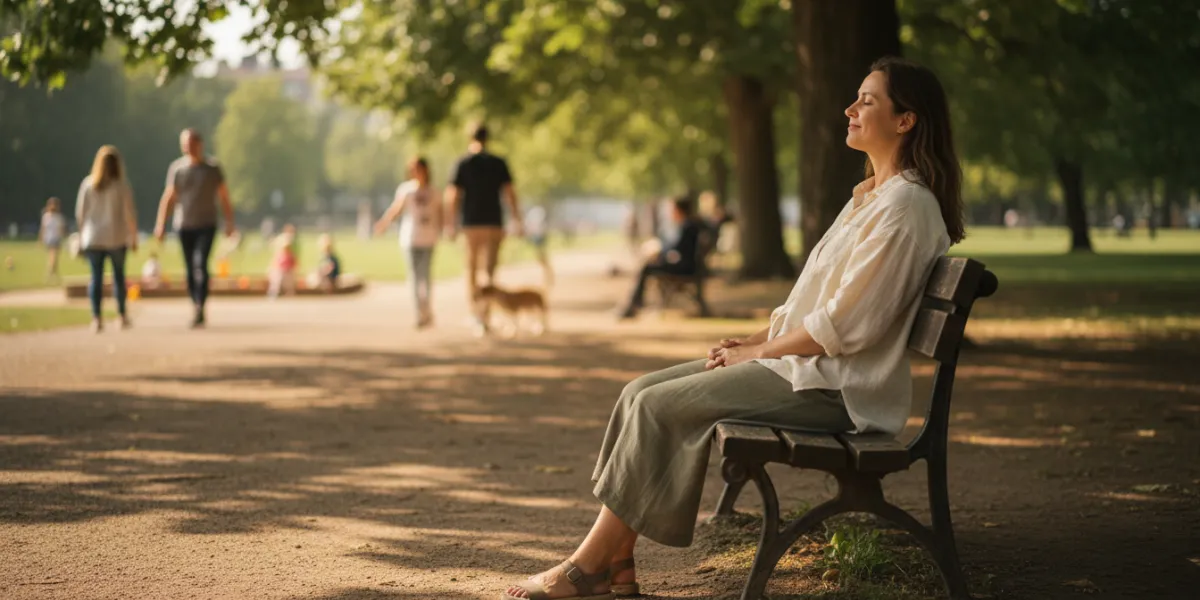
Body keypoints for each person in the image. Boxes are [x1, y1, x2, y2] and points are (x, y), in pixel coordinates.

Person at [499, 57, 965, 600]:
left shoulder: (905, 207)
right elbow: (819, 304)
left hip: (837, 391)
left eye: (867, 99)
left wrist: (761, 352)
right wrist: (755, 342)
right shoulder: (872, 198)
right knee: (638, 393)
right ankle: (615, 562)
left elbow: (846, 325)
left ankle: (587, 567)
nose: (849, 108)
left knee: (658, 407)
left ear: (906, 120)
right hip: (805, 369)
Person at [154, 128, 236, 329]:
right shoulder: (177, 169)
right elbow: (169, 197)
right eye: (184, 144)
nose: (187, 147)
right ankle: (195, 303)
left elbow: (224, 196)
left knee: (201, 263)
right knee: (190, 267)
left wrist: (229, 222)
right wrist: (161, 224)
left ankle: (201, 304)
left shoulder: (212, 168)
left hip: (207, 224)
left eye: (190, 143)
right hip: (184, 225)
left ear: (200, 144)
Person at [444, 125, 522, 335]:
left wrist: (450, 223)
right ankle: (485, 314)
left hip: (471, 225)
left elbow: (453, 195)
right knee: (488, 272)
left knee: (471, 271)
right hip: (493, 223)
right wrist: (516, 219)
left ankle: (476, 314)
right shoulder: (498, 163)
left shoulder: (463, 163)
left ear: (470, 137)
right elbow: (509, 193)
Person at [75, 146, 138, 333]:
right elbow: (129, 214)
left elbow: (81, 214)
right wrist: (133, 237)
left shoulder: (88, 184)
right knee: (118, 278)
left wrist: (81, 236)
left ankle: (97, 317)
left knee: (96, 278)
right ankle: (121, 315)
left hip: (93, 237)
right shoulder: (121, 185)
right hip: (116, 237)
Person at [377, 157, 441, 329]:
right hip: (410, 238)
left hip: (428, 238)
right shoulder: (406, 190)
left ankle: (426, 310)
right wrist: (384, 223)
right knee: (414, 278)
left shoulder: (434, 191)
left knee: (425, 278)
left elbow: (440, 214)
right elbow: (396, 209)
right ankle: (419, 314)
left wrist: (445, 230)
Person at [616, 196, 703, 320]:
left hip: (685, 268)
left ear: (679, 210)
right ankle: (635, 303)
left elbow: (678, 248)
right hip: (686, 265)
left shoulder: (688, 226)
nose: (671, 213)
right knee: (648, 266)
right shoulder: (689, 225)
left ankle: (635, 304)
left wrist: (660, 250)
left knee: (647, 267)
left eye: (673, 209)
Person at [524, 205, 554, 287]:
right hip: (538, 238)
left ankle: (547, 274)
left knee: (542, 257)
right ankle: (546, 273)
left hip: (539, 238)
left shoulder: (538, 218)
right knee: (541, 258)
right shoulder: (537, 217)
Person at [39, 197, 66, 282]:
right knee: (53, 256)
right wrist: (40, 238)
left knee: (54, 257)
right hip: (49, 239)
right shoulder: (46, 216)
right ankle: (52, 273)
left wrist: (63, 237)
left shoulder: (59, 217)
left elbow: (62, 229)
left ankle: (52, 273)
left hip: (56, 238)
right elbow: (43, 228)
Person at [267, 225, 297, 299]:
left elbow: (294, 263)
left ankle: (289, 292)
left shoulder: (290, 255)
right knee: (277, 277)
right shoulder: (280, 255)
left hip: (288, 272)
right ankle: (274, 291)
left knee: (288, 279)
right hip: (281, 272)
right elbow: (275, 263)